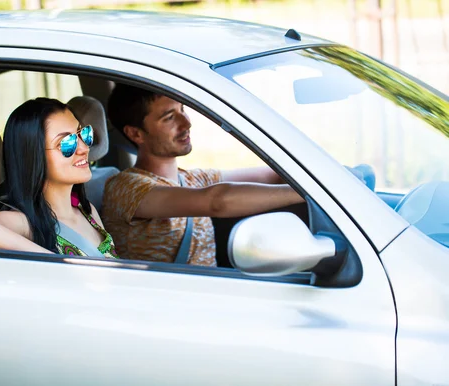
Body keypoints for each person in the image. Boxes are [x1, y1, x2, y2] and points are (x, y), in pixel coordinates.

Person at [101, 84, 303, 266]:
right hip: (167, 303)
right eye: (169, 117)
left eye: (183, 110)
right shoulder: (124, 188)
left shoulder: (194, 179)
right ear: (136, 133)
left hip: (207, 296)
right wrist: (300, 193)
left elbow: (271, 176)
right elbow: (217, 201)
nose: (186, 123)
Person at [0, 98, 118, 258]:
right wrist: (54, 261)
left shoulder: (88, 212)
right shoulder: (25, 222)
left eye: (83, 133)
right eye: (67, 142)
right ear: (33, 156)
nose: (84, 147)